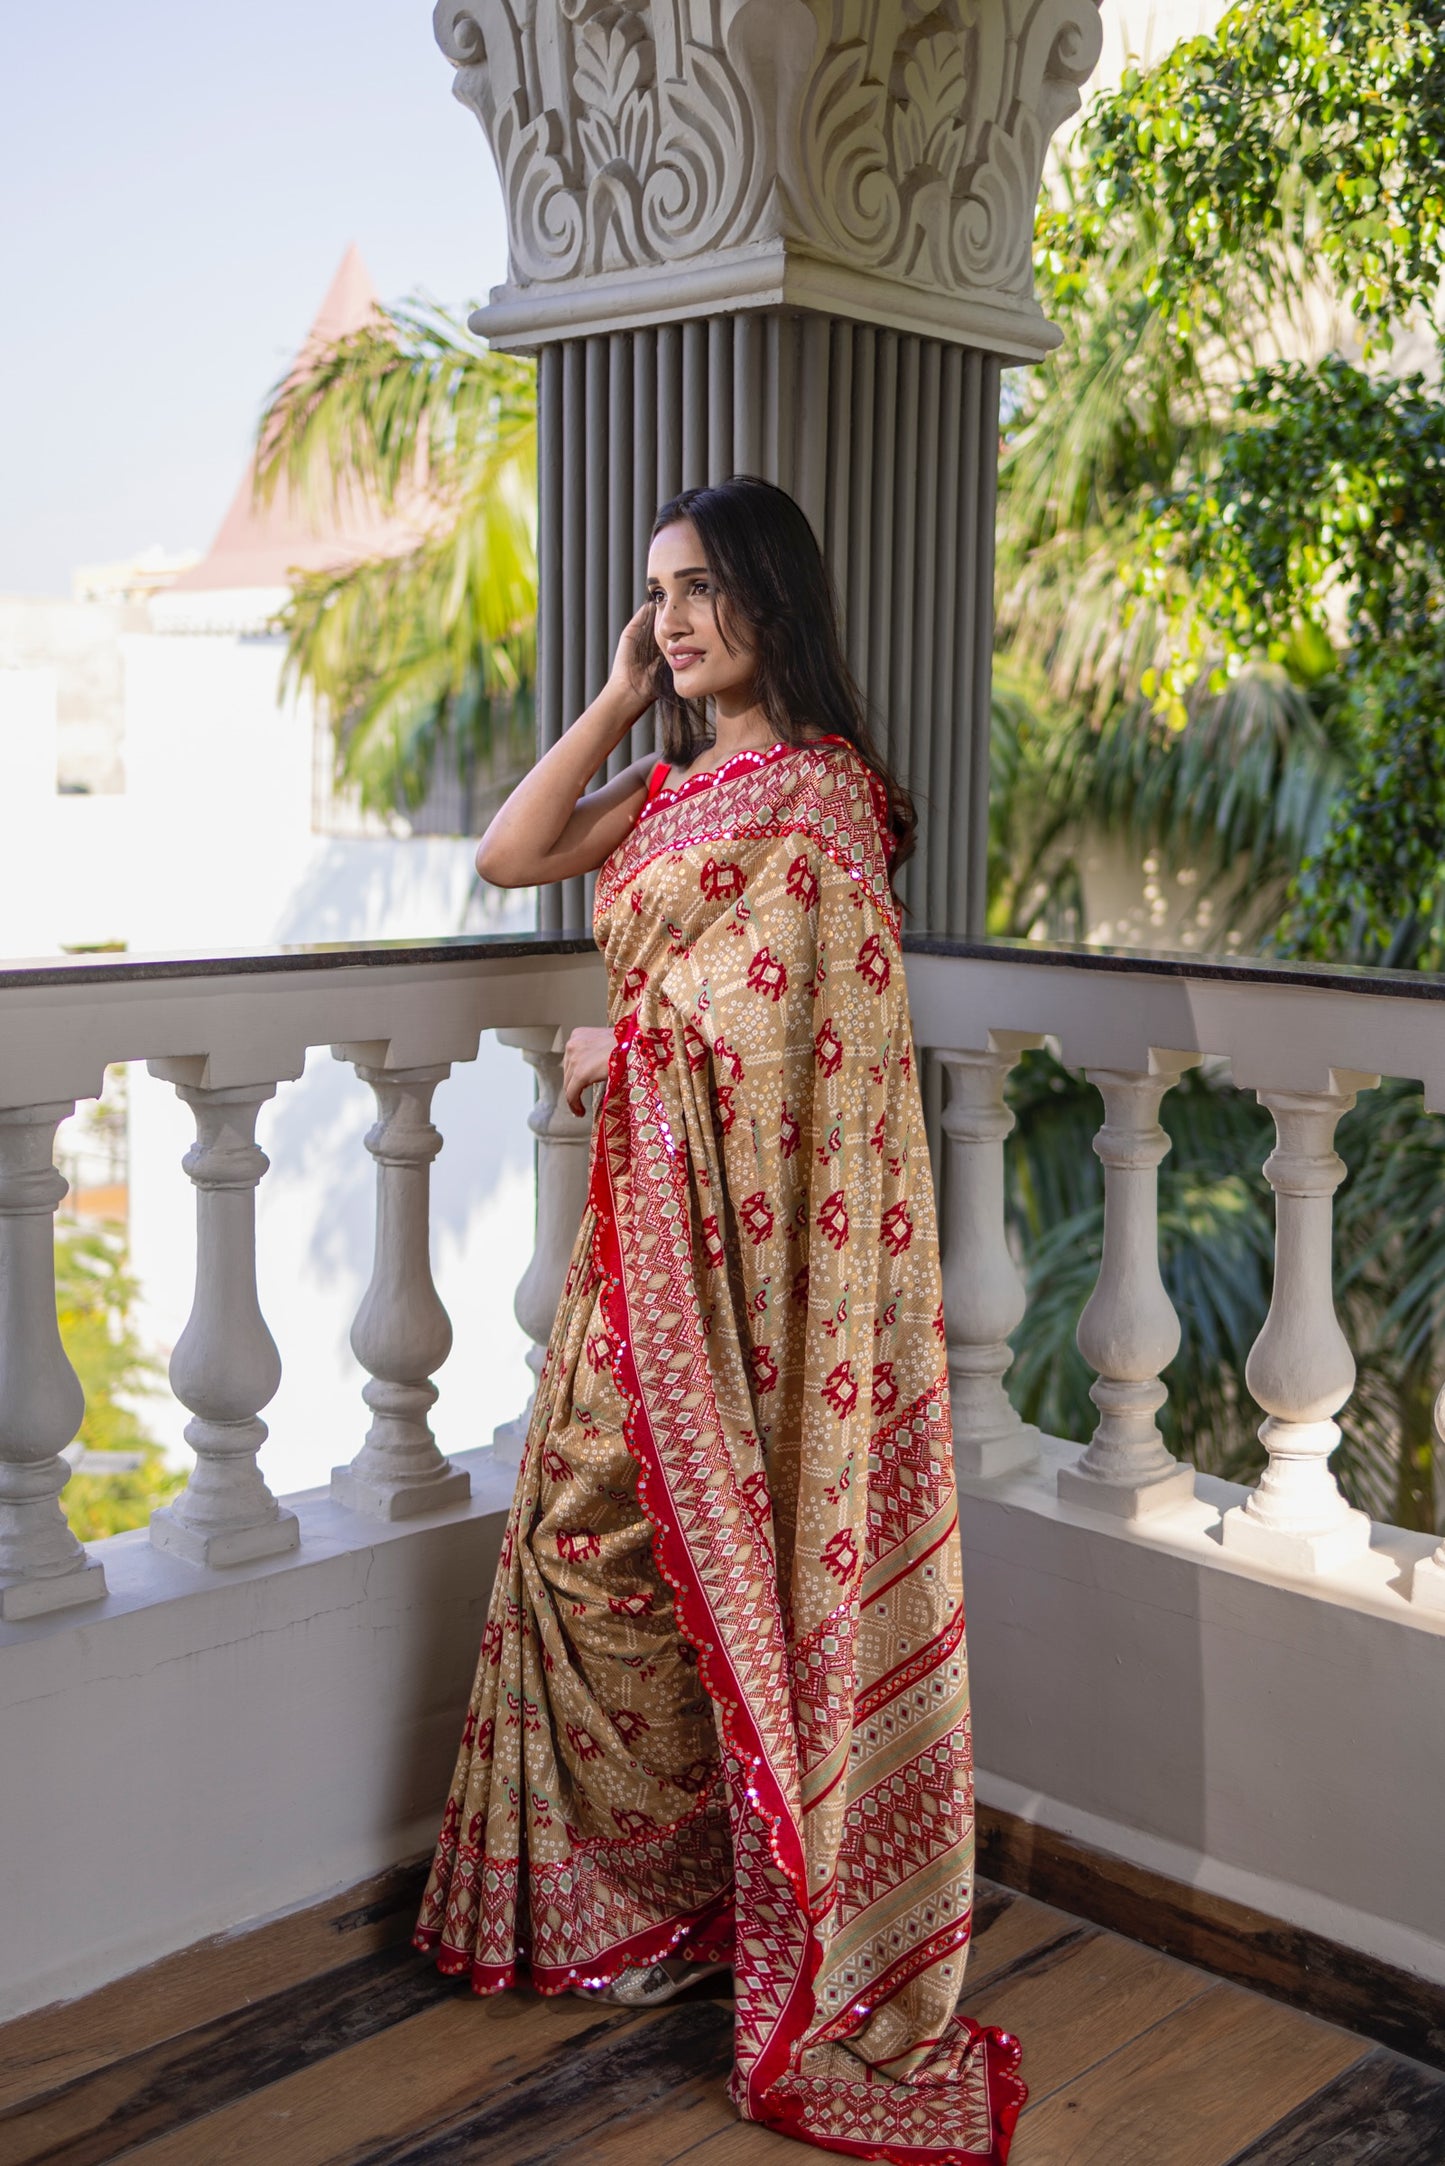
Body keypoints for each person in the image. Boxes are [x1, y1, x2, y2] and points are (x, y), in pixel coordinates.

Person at [413, 476, 1025, 2163]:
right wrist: (617, 695)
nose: (675, 619)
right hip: (643, 1247)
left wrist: (651, 1031)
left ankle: (733, 1902)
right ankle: (656, 1901)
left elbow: (798, 1009)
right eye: (655, 596)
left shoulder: (824, 801)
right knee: (586, 1540)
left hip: (755, 1276)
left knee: (670, 1549)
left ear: (771, 596)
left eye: (695, 592)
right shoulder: (670, 788)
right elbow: (507, 849)